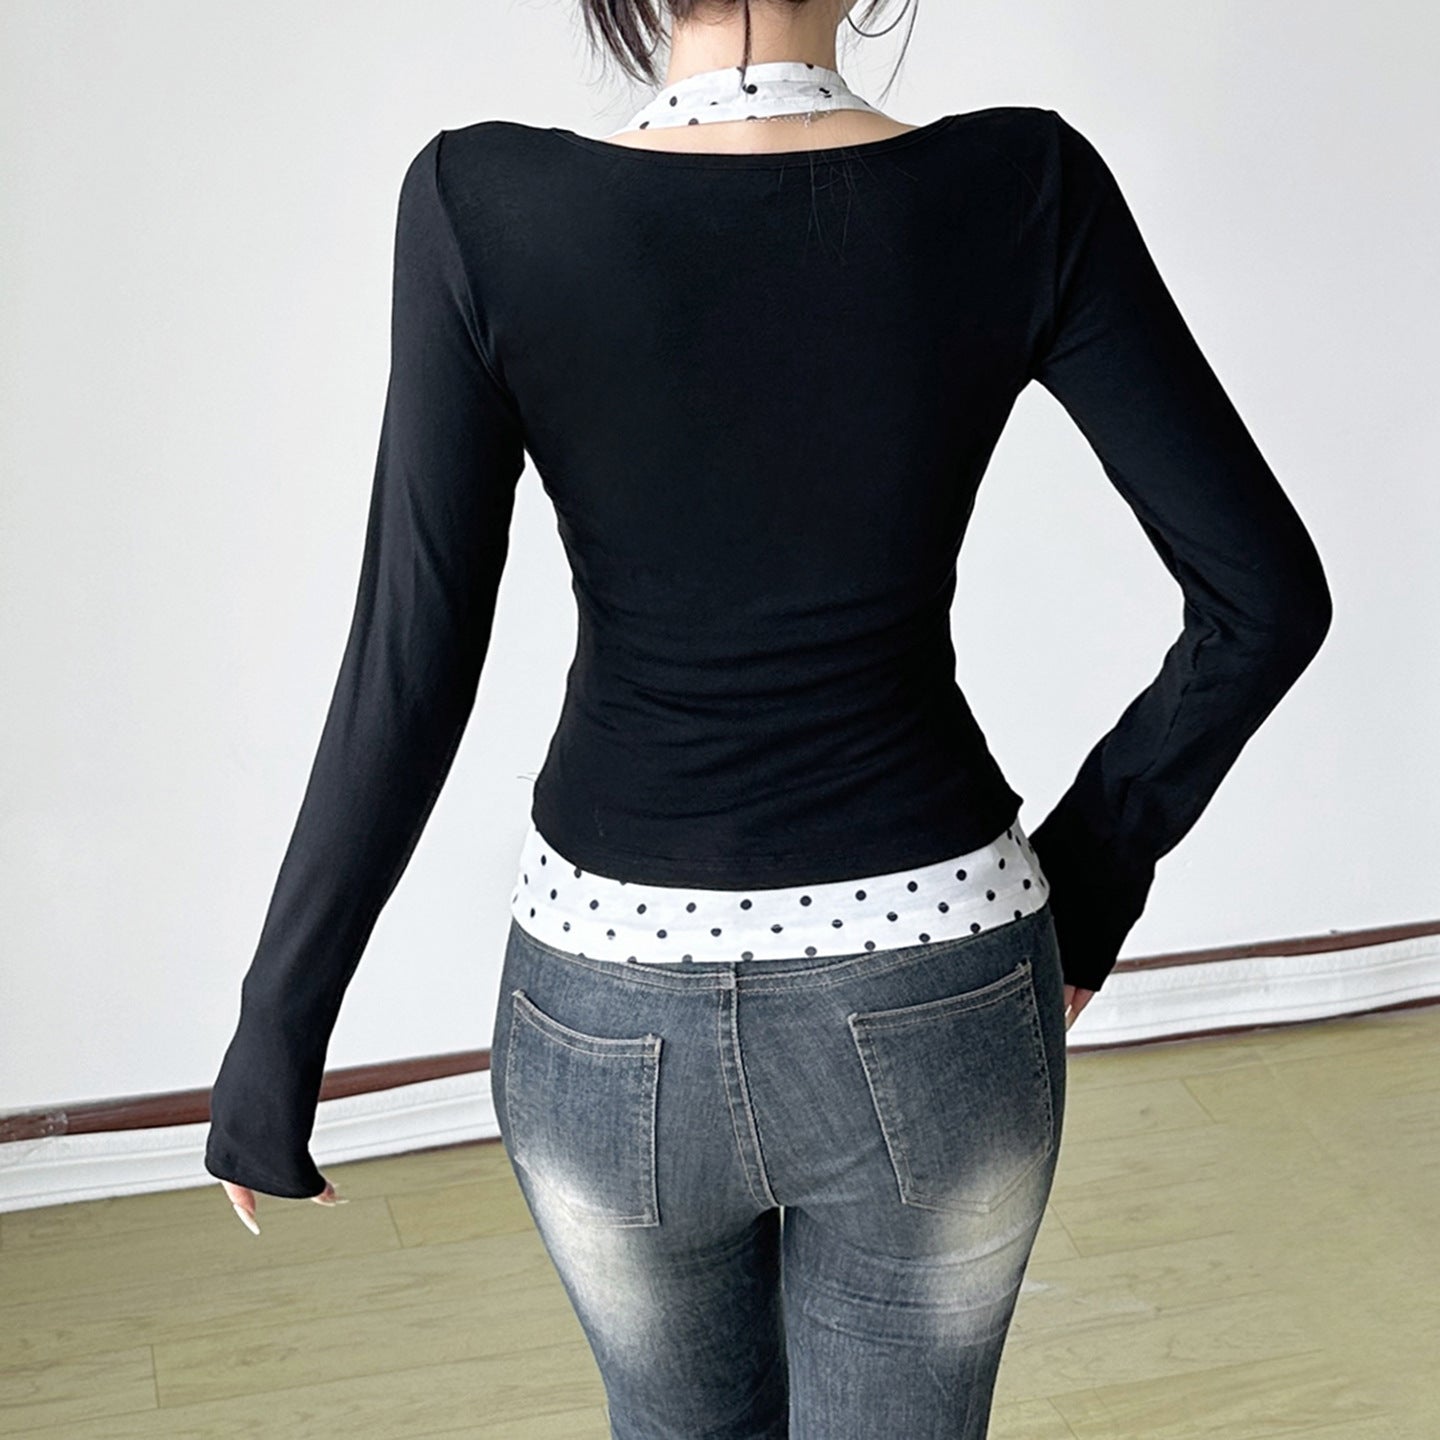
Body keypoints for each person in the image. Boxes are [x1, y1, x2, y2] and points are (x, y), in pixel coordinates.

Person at [204, 0, 1333, 1433]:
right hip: (938, 978)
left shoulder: (479, 206)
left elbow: (408, 663)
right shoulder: (1021, 186)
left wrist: (277, 1036)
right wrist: (1093, 881)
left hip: (608, 1000)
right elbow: (1264, 600)